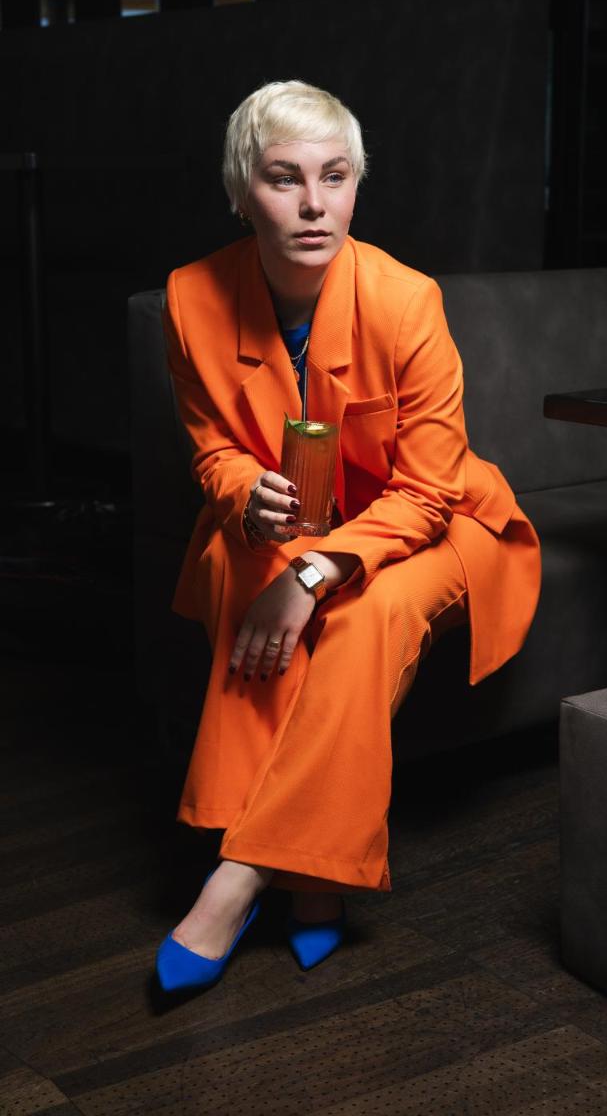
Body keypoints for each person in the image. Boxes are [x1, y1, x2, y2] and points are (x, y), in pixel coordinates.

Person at [155, 79, 541, 992]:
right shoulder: (191, 296)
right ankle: (316, 887)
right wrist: (245, 494)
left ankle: (238, 875)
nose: (314, 203)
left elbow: (429, 490)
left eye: (335, 176)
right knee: (232, 559)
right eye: (284, 178)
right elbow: (213, 449)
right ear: (241, 191)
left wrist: (314, 574)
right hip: (299, 520)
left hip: (437, 527)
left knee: (363, 615)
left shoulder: (407, 300)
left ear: (358, 187)